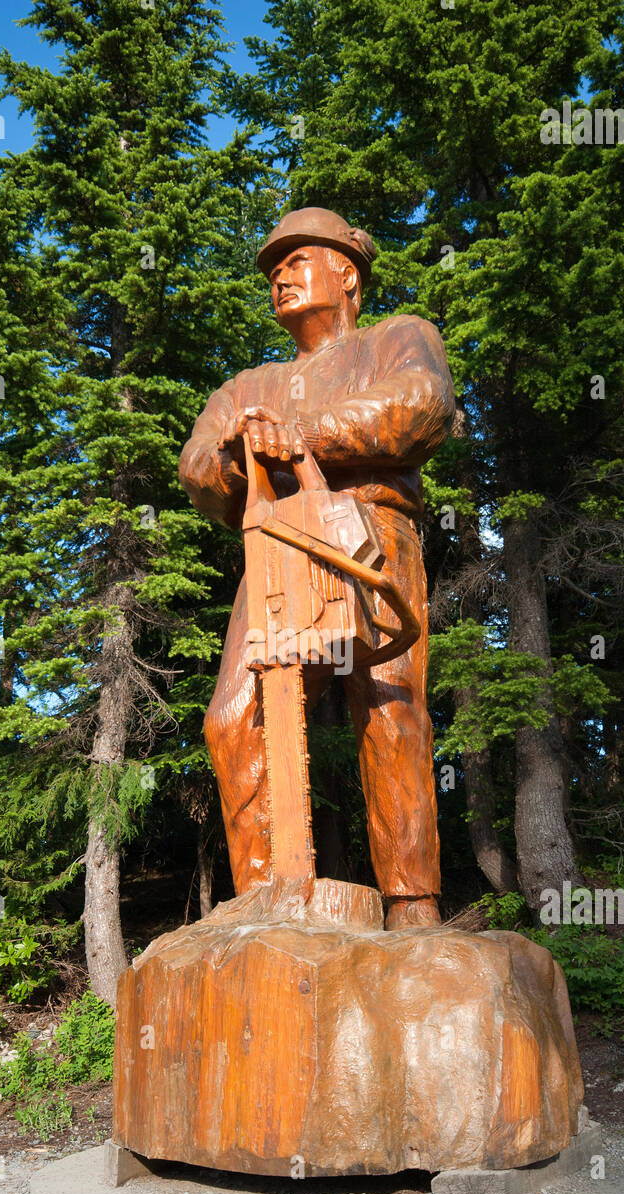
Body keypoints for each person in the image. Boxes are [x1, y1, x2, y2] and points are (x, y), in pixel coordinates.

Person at [179, 207, 455, 929]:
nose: (281, 275)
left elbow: (422, 407)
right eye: (275, 268)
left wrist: (301, 436)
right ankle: (267, 902)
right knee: (233, 715)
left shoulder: (400, 336)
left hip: (372, 524)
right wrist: (244, 452)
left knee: (390, 705)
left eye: (299, 261)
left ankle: (412, 902)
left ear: (349, 274)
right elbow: (198, 467)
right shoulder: (248, 385)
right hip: (273, 542)